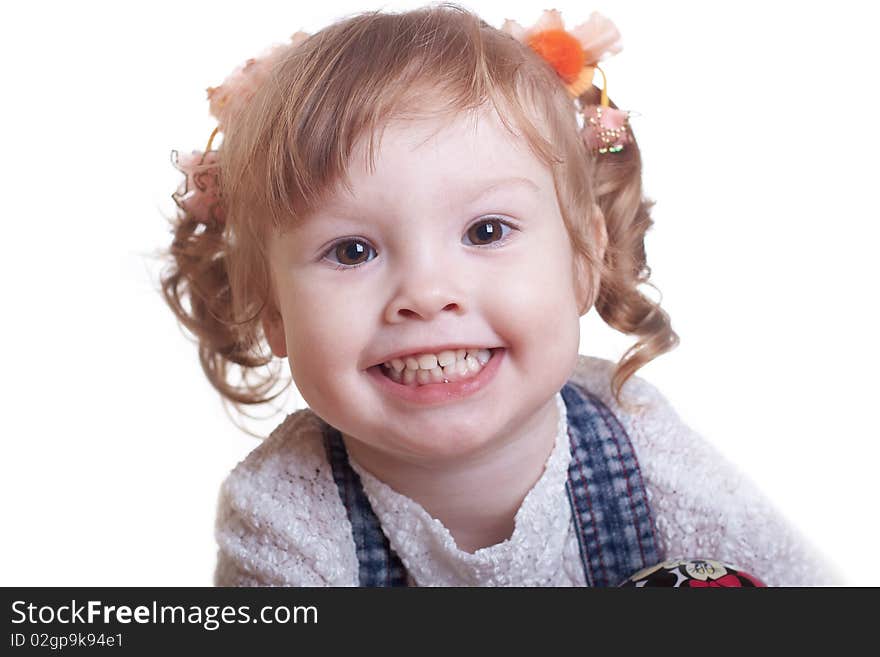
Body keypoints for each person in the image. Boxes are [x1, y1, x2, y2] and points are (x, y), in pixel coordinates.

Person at [161, 3, 839, 586]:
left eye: (485, 231)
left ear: (583, 256)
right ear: (273, 310)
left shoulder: (636, 437)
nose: (426, 295)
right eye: (352, 250)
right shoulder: (284, 513)